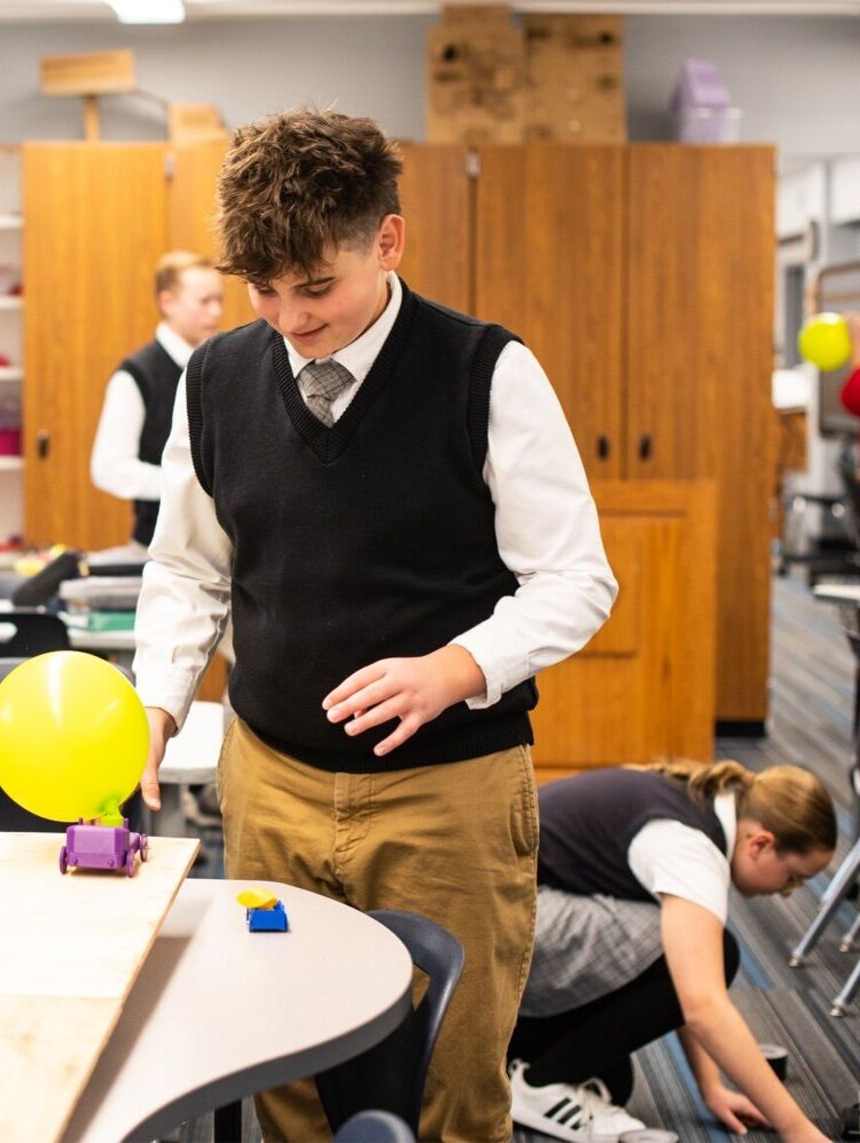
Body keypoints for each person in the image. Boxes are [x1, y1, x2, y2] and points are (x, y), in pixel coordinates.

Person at [131, 107, 618, 1141]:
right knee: (283, 1071)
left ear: (386, 240)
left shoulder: (487, 371)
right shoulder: (214, 378)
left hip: (448, 793)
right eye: (264, 290)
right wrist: (158, 702)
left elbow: (576, 579)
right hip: (270, 779)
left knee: (452, 1087)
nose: (289, 317)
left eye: (316, 287)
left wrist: (457, 666)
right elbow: (187, 566)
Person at [510, 760, 835, 1143]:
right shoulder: (689, 850)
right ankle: (536, 1088)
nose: (790, 892)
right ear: (760, 844)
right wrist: (797, 1129)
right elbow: (702, 1007)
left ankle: (514, 1064)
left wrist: (710, 1088)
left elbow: (680, 981)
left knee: (613, 1081)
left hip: (510, 923)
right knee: (718, 952)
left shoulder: (698, 804)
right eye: (793, 877)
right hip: (499, 928)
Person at [90, 251, 224, 549]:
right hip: (157, 548)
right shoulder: (135, 376)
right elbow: (109, 468)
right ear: (168, 303)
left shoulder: (221, 365)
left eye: (219, 300)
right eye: (204, 301)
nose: (216, 311)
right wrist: (189, 486)